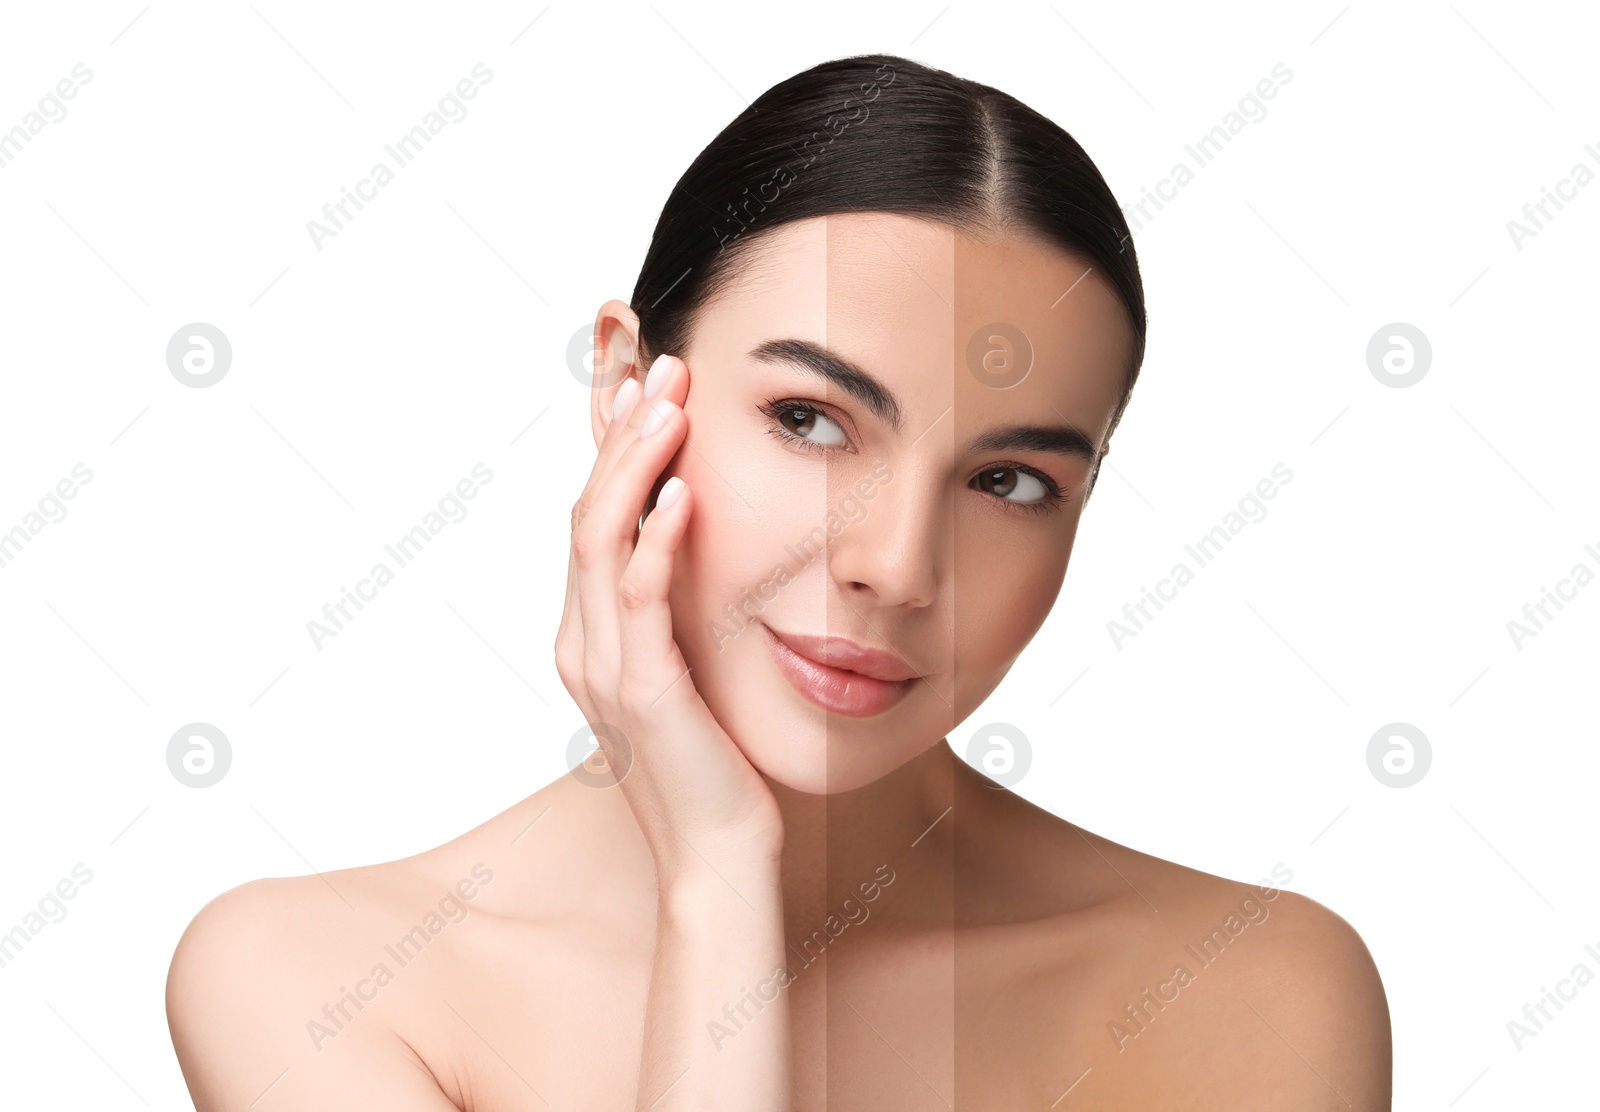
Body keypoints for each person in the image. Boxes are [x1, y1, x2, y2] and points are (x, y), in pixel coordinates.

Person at [166, 52, 1391, 1110]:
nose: (896, 565)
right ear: (626, 385)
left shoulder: (1248, 984)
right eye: (809, 419)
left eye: (1010, 481)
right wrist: (717, 874)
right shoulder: (321, 981)